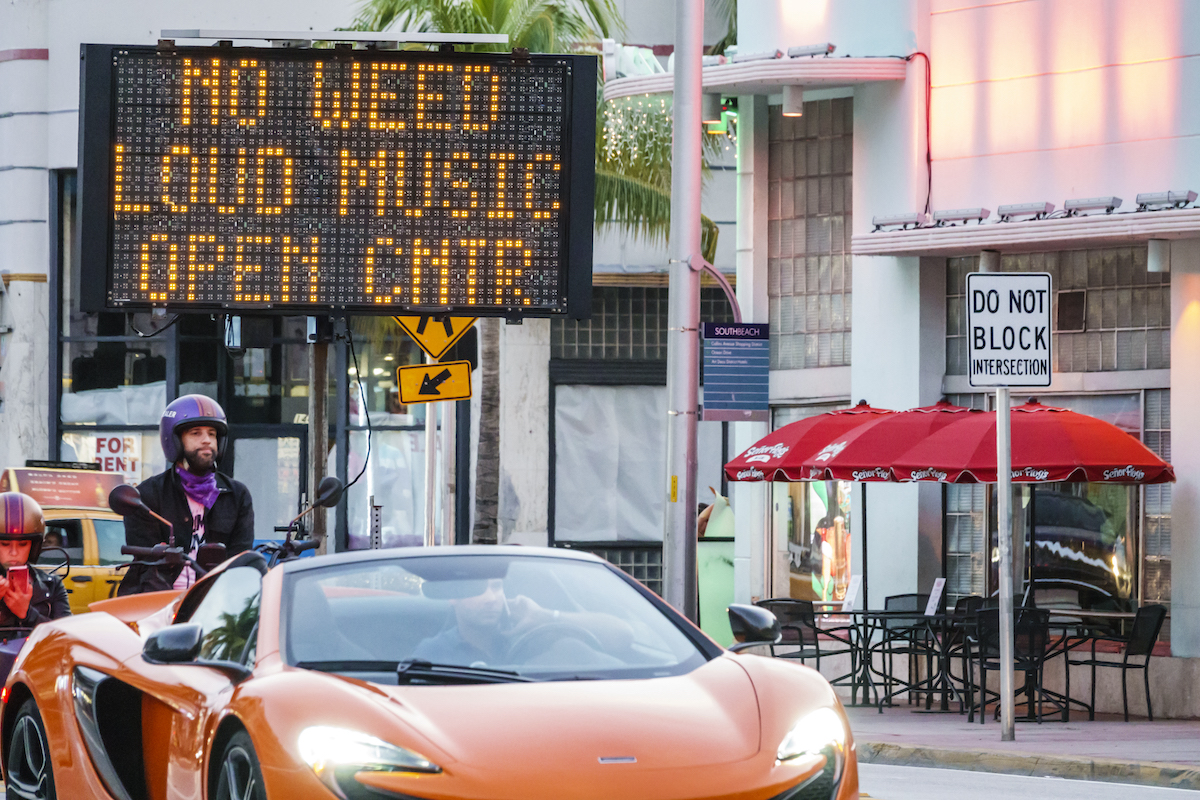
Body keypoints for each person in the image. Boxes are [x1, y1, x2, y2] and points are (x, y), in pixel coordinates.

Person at [119, 395, 255, 595]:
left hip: (218, 600)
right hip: (158, 600)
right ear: (175, 440)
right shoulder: (147, 495)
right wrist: (173, 607)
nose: (207, 440)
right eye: (195, 433)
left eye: (212, 434)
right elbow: (148, 567)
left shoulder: (237, 495)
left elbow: (239, 561)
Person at [413, 578, 633, 666]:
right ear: (453, 597)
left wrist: (545, 615)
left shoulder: (535, 638)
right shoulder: (432, 653)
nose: (491, 598)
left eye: (497, 587)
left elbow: (623, 635)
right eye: (479, 589)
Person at [0, 493, 70, 628]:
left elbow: (65, 634)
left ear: (34, 547)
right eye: (5, 544)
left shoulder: (52, 585)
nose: (14, 552)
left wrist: (27, 613)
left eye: (22, 544)